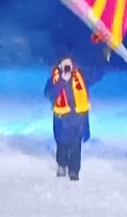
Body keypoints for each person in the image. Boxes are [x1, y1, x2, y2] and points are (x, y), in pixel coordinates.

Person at [43, 51, 105, 181]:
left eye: (69, 63)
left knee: (76, 145)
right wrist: (61, 81)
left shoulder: (81, 77)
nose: (67, 66)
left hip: (78, 118)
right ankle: (62, 164)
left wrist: (104, 59)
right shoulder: (54, 79)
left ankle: (74, 170)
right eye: (64, 63)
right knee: (62, 144)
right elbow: (49, 94)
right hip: (62, 119)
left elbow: (96, 75)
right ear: (60, 65)